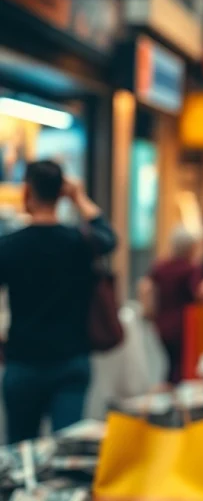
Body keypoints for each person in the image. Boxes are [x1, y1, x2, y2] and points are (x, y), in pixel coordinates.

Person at [0, 161, 117, 442]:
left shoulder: (9, 246)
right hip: (71, 361)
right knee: (66, 450)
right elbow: (110, 237)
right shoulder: (79, 242)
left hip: (23, 360)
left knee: (22, 453)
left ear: (27, 192)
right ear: (60, 194)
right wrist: (78, 197)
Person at [138, 227, 201, 385]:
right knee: (179, 367)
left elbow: (146, 286)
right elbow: (197, 295)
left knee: (169, 364)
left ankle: (167, 394)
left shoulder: (160, 267)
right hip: (182, 324)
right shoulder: (189, 269)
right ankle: (173, 399)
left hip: (161, 322)